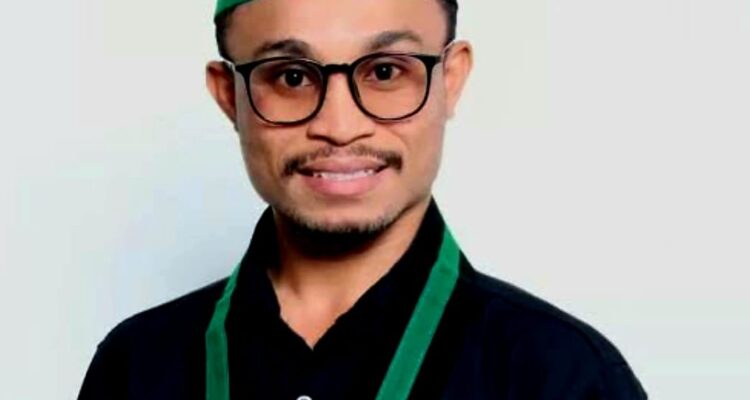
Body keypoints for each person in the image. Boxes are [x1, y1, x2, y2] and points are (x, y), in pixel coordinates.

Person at [78, 0, 647, 398]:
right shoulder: (135, 367)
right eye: (291, 77)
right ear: (230, 96)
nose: (339, 126)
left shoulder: (562, 377)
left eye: (385, 71)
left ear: (450, 81)